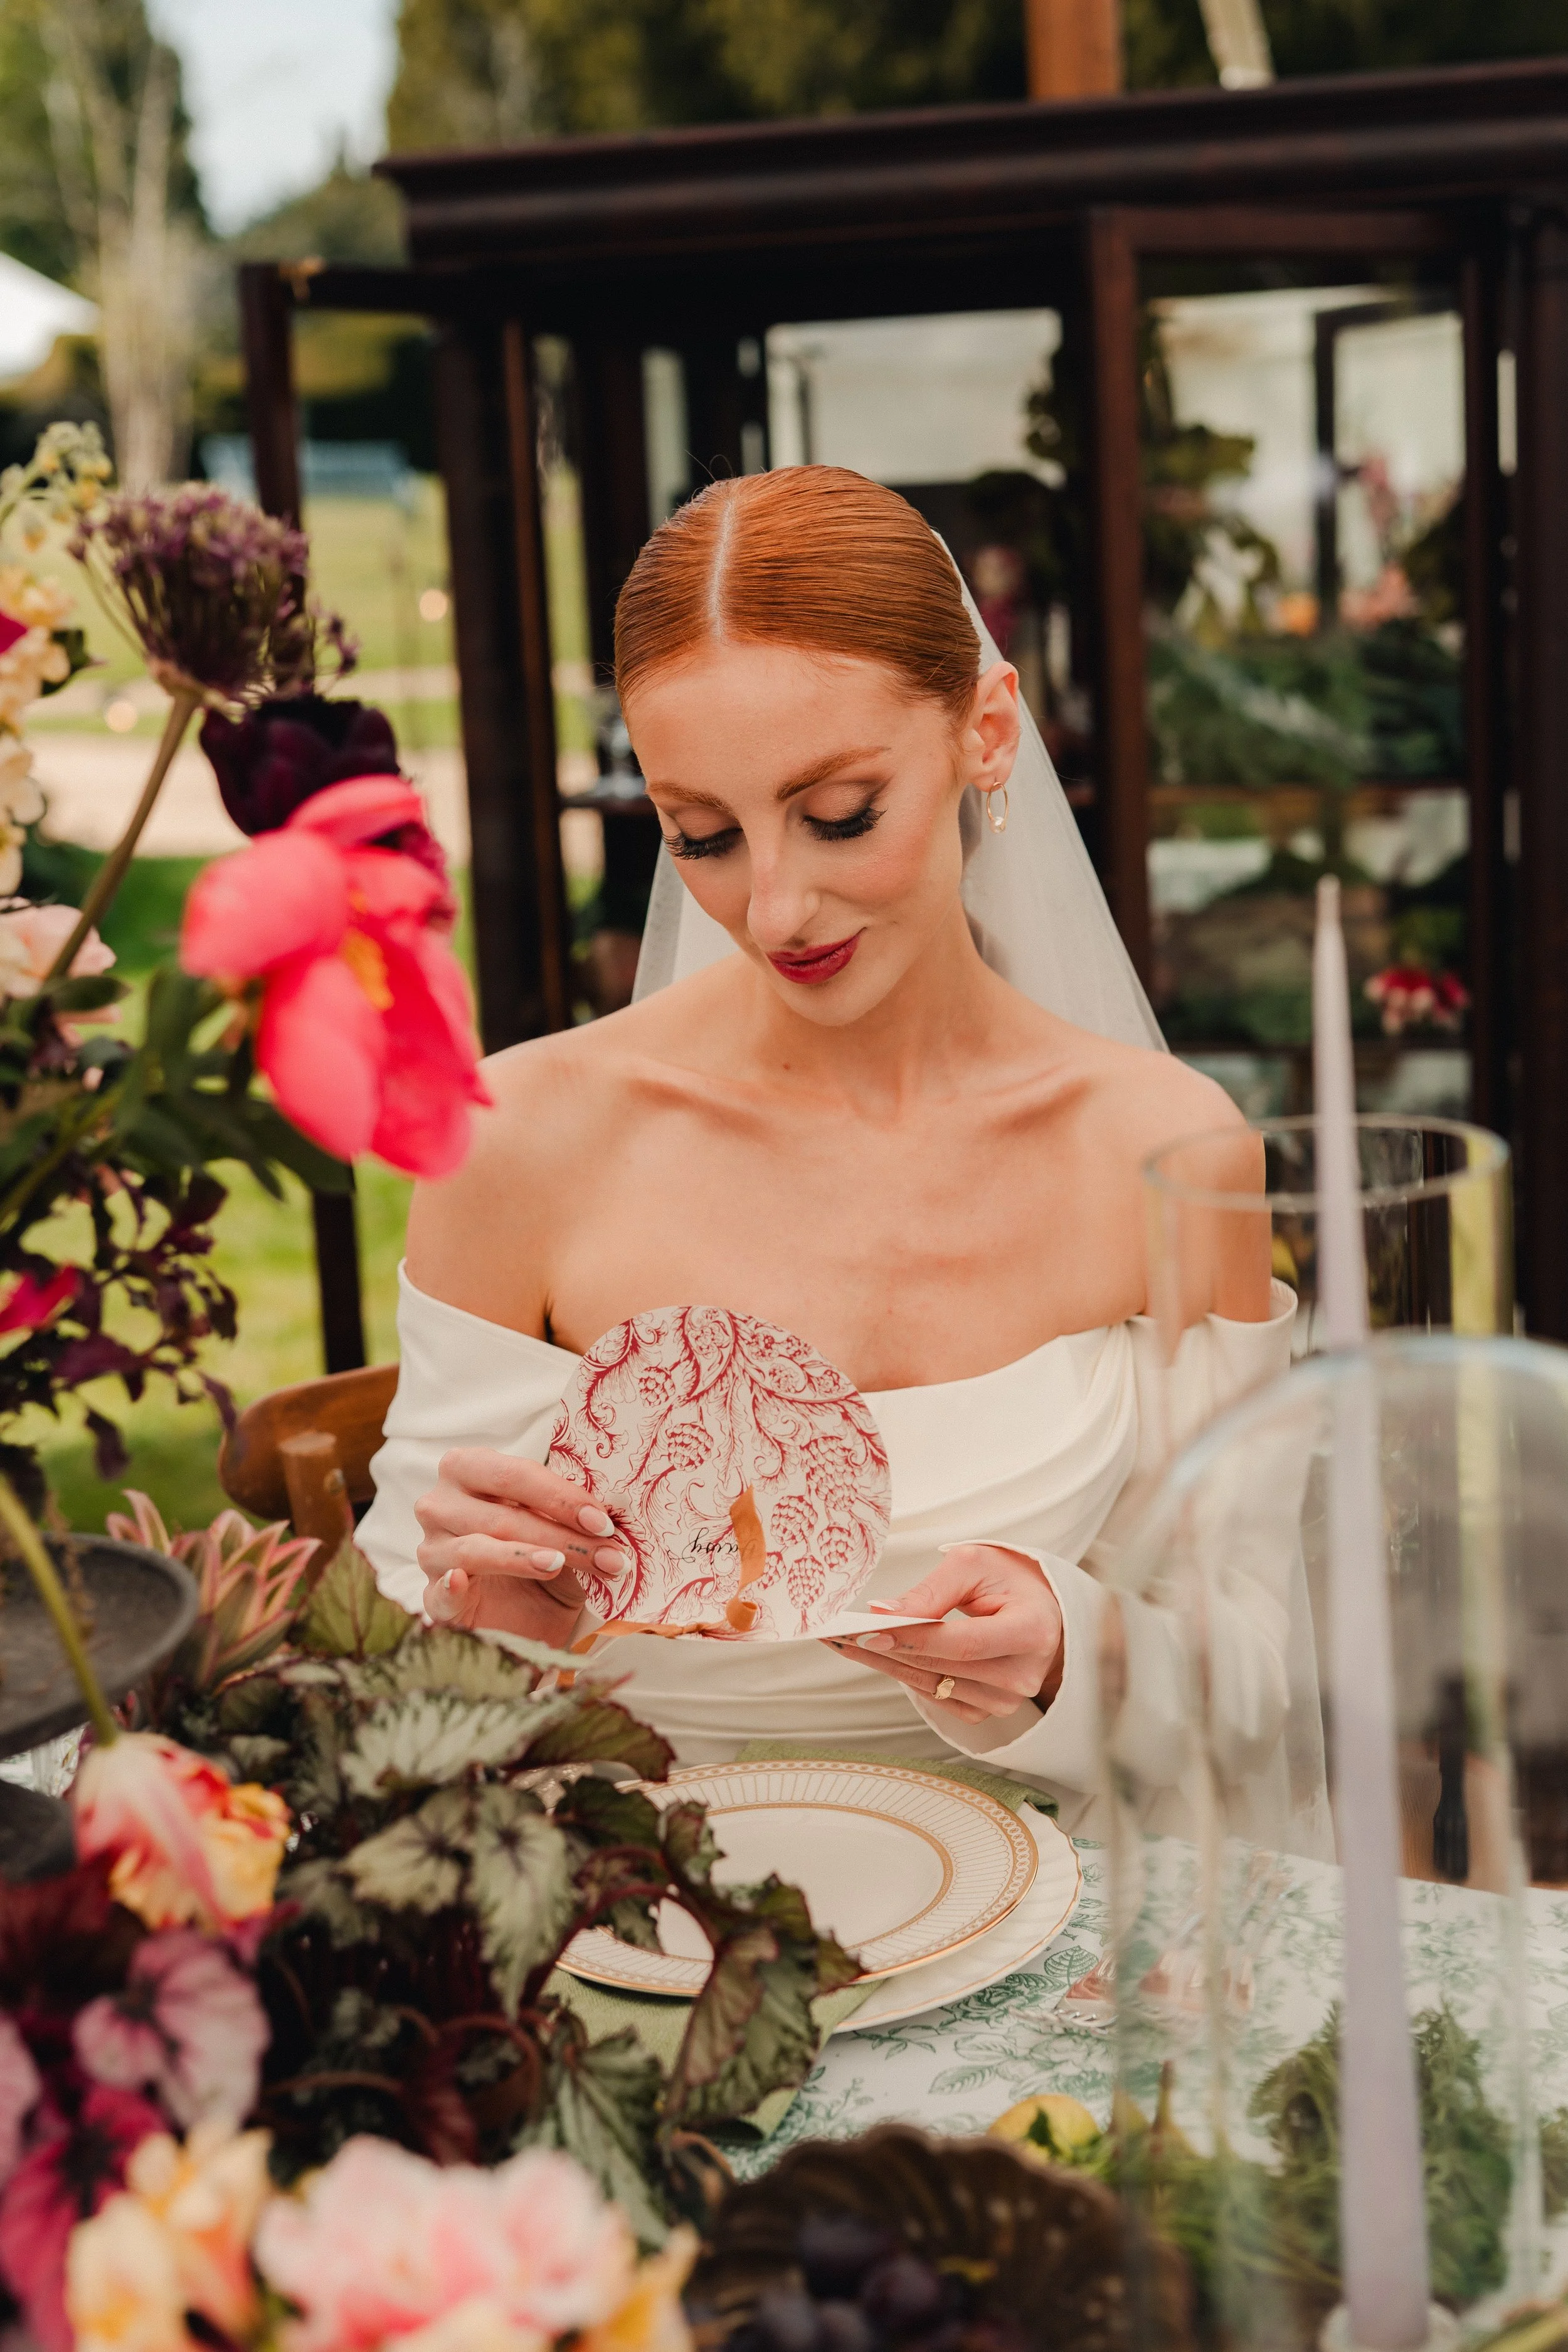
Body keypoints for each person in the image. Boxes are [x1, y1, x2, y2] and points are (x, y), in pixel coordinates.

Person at [358, 465, 1295, 1836]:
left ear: (985, 732)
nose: (776, 905)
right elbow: (379, 1679)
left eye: (841, 812)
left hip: (1054, 1943)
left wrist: (1068, 1650)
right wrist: (491, 1626)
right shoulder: (522, 1145)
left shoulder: (1164, 1152)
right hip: (629, 1926)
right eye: (702, 836)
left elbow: (1260, 1664)